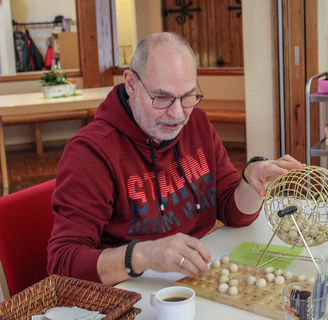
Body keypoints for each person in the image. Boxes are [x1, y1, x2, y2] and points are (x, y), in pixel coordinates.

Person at [47, 32, 303, 286]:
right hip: (129, 291)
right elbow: (62, 264)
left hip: (193, 280)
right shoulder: (91, 152)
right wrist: (144, 255)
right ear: (131, 84)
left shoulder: (198, 124)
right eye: (162, 98)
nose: (178, 114)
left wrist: (250, 183)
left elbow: (232, 212)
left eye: (188, 96)